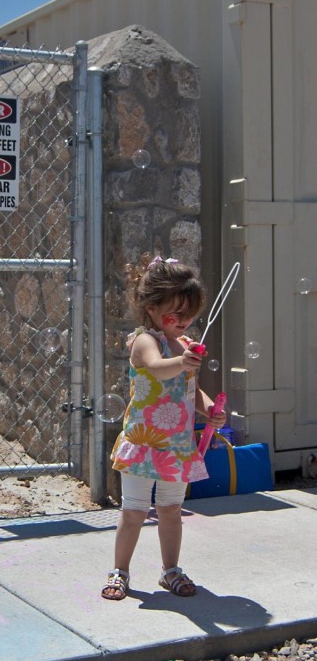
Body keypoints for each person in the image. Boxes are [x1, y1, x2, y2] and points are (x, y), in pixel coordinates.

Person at [101, 255, 227, 601]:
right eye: (177, 313)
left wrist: (209, 411)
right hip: (144, 441)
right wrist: (182, 361)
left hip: (178, 445)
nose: (184, 321)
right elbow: (158, 369)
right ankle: (120, 570)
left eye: (190, 314)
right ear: (152, 308)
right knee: (135, 510)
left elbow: (191, 388)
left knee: (172, 510)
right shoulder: (146, 341)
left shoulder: (186, 346)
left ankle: (170, 569)